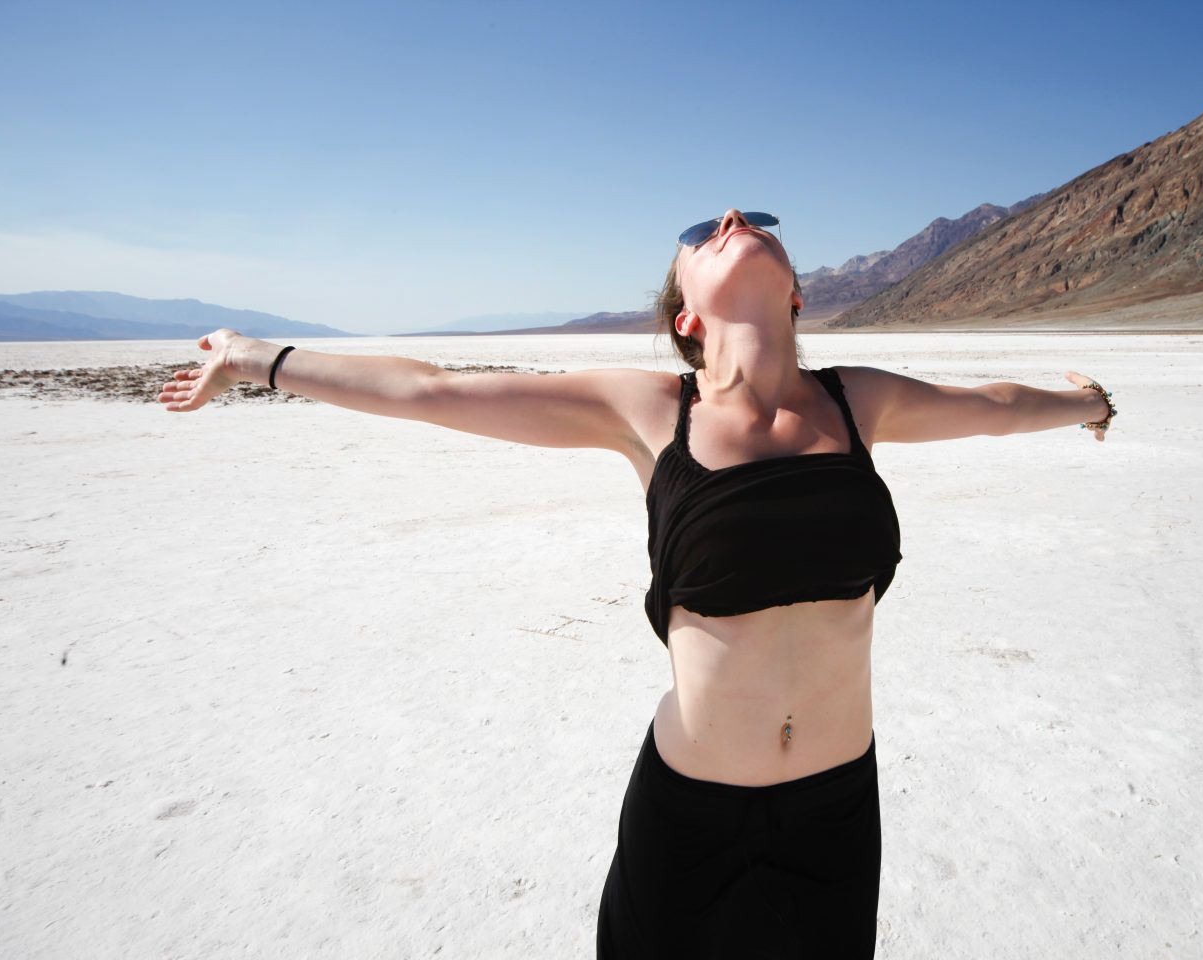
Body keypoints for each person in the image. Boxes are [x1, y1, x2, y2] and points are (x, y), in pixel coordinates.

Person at [158, 209, 1115, 958]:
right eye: (702, 232)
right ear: (685, 315)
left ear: (797, 297)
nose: (732, 217)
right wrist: (254, 360)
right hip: (690, 812)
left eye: (753, 225)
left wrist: (1086, 402)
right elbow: (432, 388)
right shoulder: (651, 409)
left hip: (836, 807)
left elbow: (993, 407)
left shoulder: (858, 400)